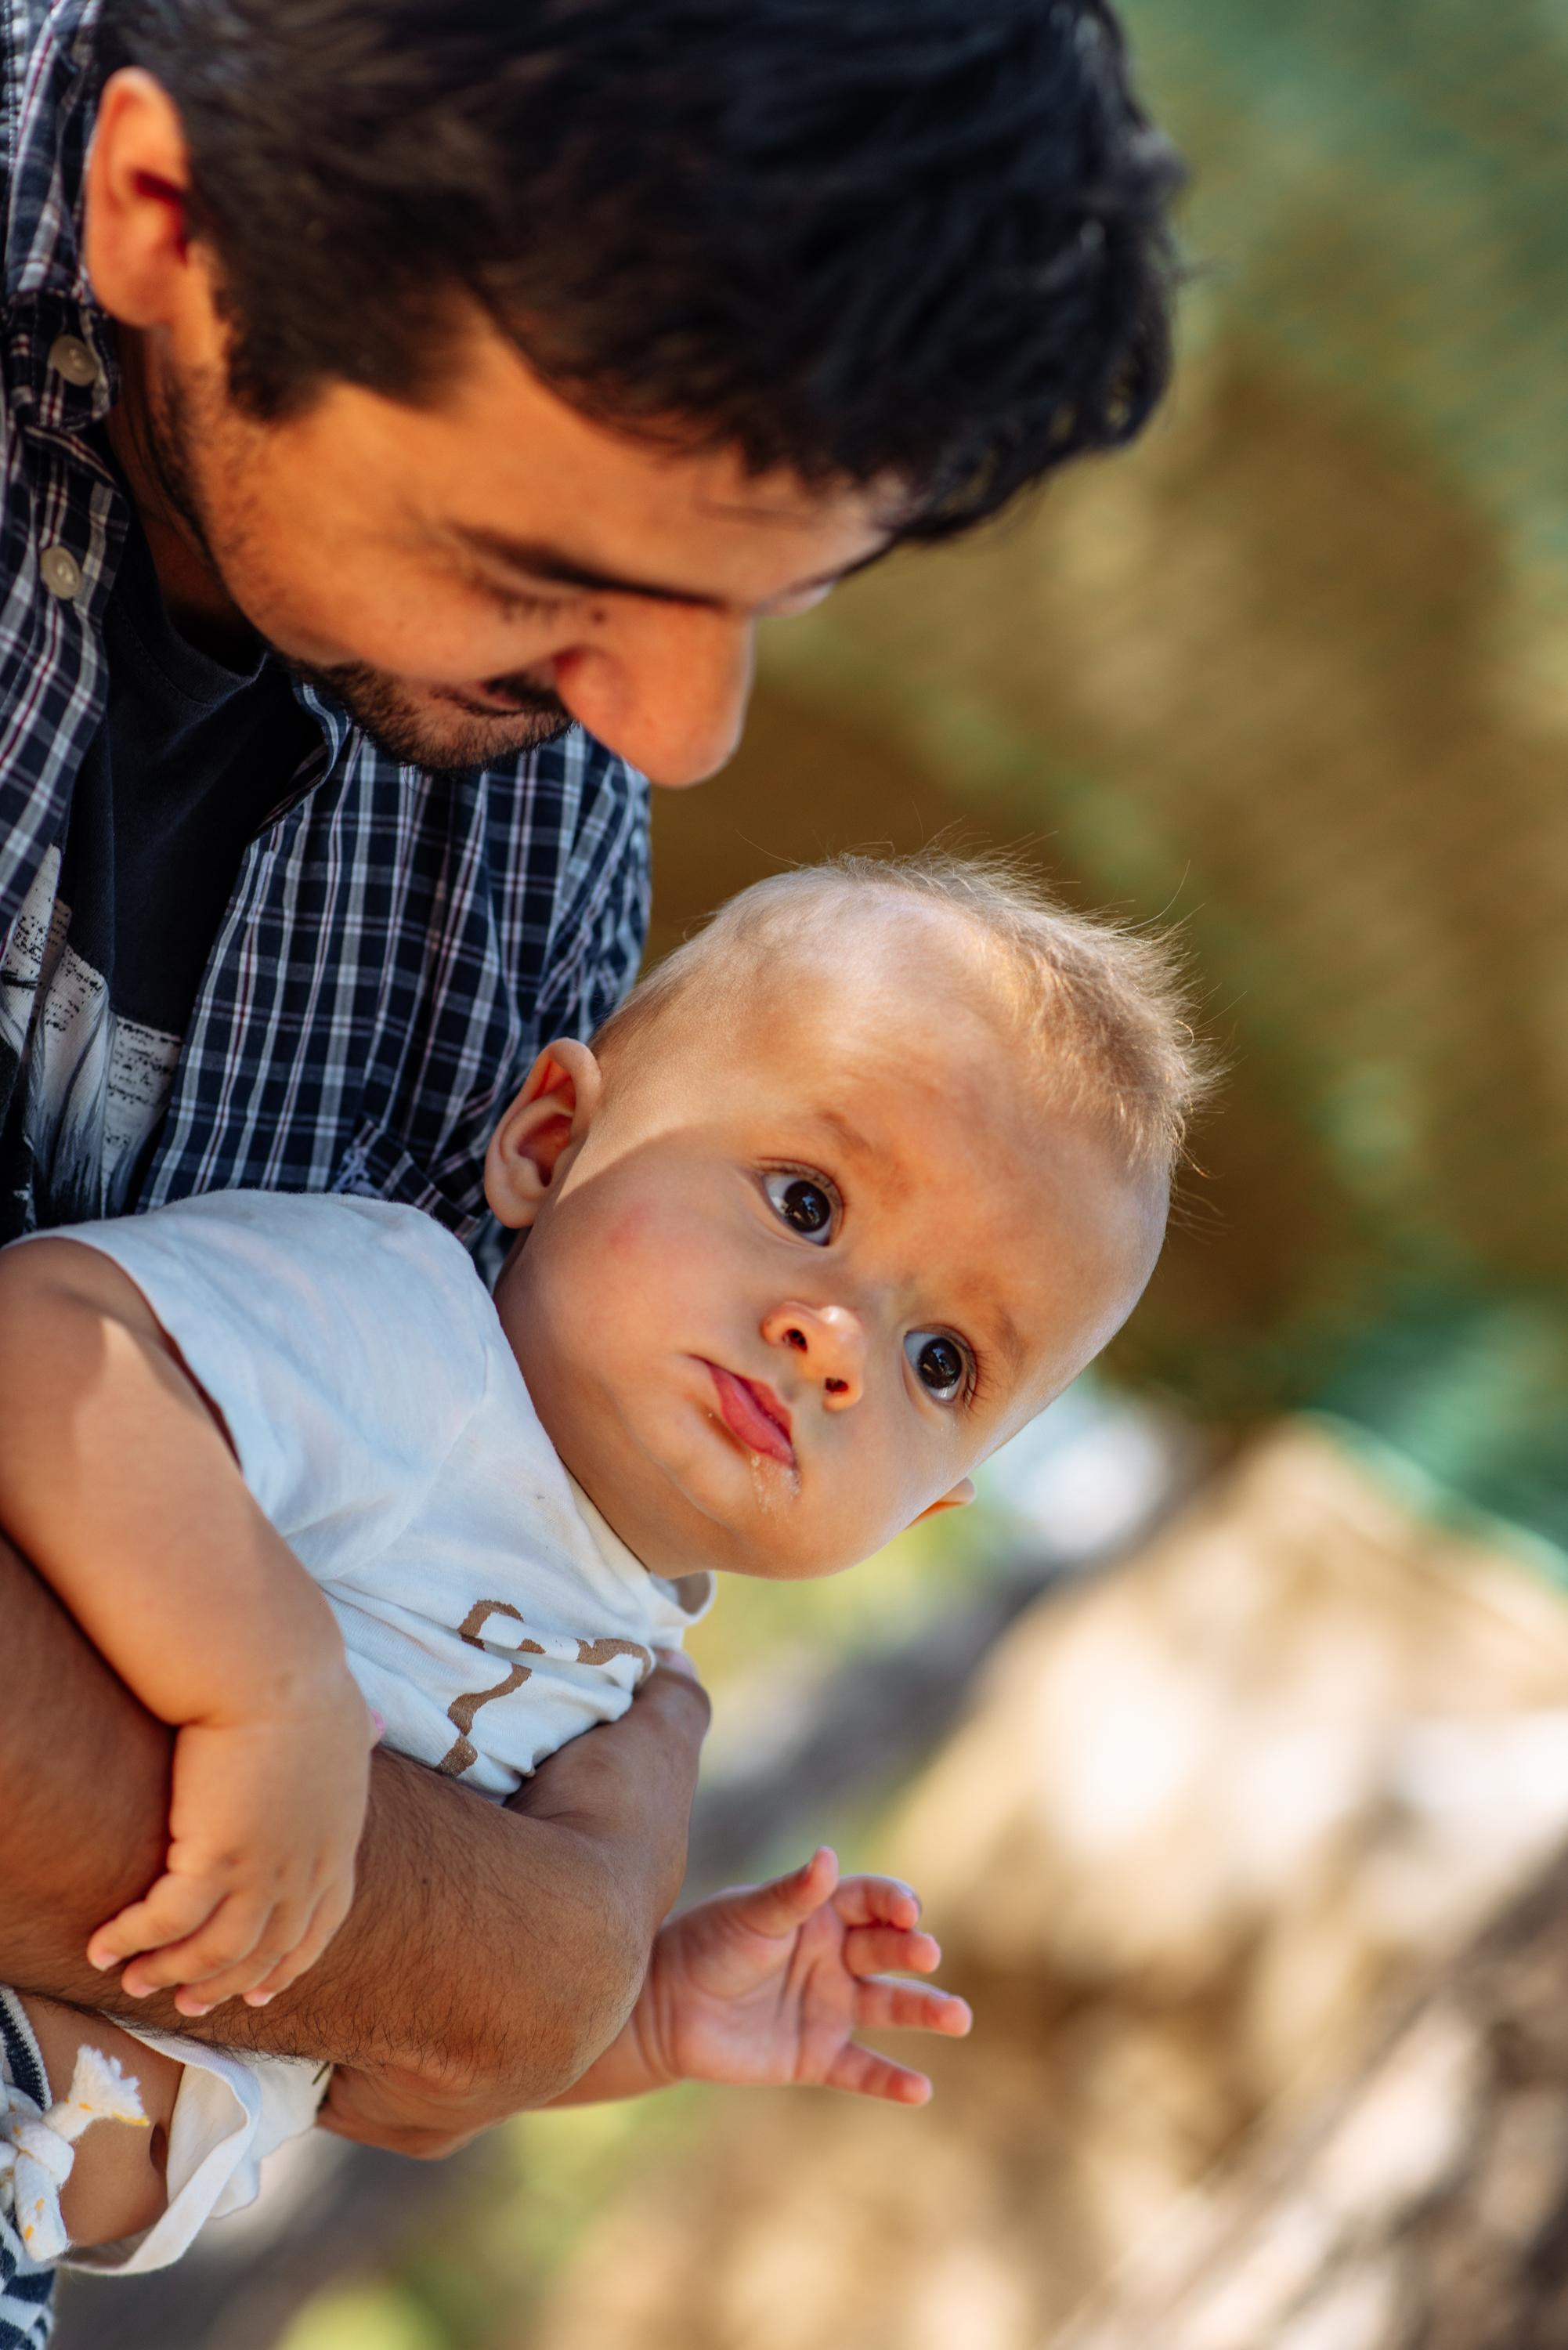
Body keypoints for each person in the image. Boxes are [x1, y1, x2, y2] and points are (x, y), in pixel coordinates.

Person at [0, 0, 1183, 2319]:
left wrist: (581, 1988)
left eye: (772, 593)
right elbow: (451, 1966)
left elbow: (446, 2006)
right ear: (164, 215)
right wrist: (514, 1943)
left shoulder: (534, 813)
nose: (672, 730)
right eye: (559, 566)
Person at [0, 849, 1212, 2277]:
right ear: (551, 1138)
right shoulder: (406, 1342)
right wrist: (268, 1696)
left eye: (938, 1361)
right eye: (805, 1203)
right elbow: (48, 1339)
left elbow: (394, 2060)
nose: (836, 1339)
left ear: (934, 1507)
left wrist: (632, 2020)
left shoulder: (621, 1686)